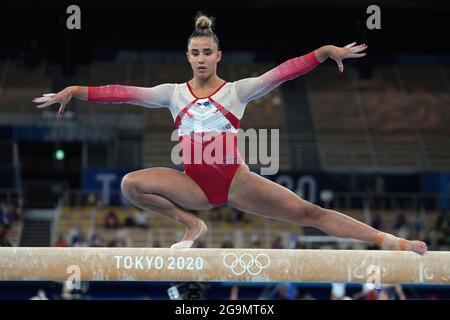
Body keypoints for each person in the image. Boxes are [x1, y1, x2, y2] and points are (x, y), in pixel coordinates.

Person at [33, 13, 427, 253]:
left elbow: (284, 71)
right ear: (187, 56)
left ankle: (390, 241)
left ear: (217, 55)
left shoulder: (236, 91)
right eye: (195, 53)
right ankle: (192, 224)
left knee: (310, 213)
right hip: (194, 187)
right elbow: (122, 94)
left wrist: (323, 51)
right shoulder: (171, 95)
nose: (201, 59)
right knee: (131, 185)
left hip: (236, 182)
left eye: (208, 52)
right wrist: (75, 91)